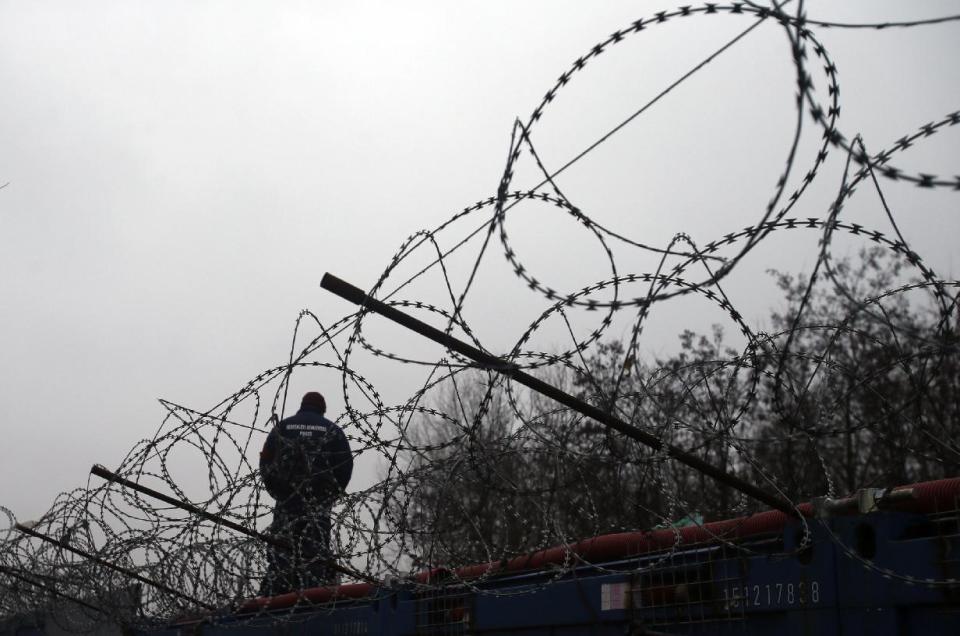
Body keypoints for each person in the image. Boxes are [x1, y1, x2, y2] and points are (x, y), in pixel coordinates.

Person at [258, 391, 353, 596]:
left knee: (282, 551)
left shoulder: (283, 427)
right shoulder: (332, 430)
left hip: (287, 500)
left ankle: (276, 598)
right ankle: (311, 597)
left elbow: (265, 461)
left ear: (301, 406)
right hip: (318, 503)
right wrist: (331, 495)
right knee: (314, 554)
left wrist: (278, 492)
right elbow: (345, 467)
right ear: (322, 409)